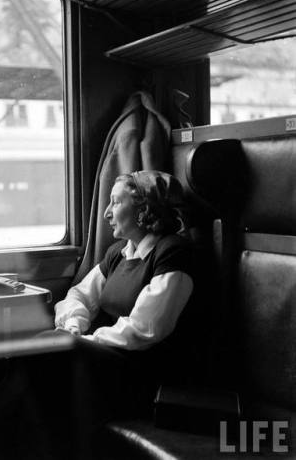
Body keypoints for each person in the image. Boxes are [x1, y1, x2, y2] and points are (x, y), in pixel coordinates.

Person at [54, 171, 201, 417]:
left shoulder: (173, 253)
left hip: (143, 370)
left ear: (145, 208)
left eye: (116, 202)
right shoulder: (119, 252)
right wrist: (74, 323)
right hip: (110, 358)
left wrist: (87, 341)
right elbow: (79, 294)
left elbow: (146, 329)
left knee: (50, 350)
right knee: (41, 347)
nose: (106, 212)